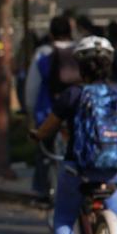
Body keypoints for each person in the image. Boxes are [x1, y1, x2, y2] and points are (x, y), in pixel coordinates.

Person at [31, 36, 117, 234]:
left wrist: (37, 135)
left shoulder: (73, 95)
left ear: (81, 66)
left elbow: (48, 127)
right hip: (115, 173)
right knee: (113, 195)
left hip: (78, 171)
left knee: (64, 217)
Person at [25, 16, 78, 203]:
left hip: (48, 111)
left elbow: (32, 86)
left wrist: (29, 110)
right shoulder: (81, 51)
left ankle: (42, 191)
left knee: (45, 152)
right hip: (76, 112)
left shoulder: (43, 54)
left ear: (51, 33)